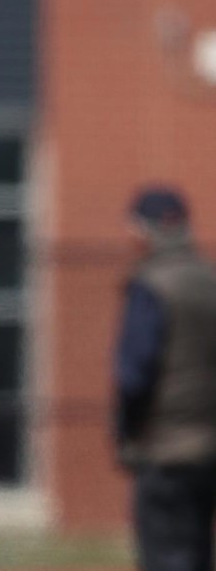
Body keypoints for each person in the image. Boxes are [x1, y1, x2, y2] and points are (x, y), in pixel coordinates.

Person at [114, 186, 216, 571]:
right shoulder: (209, 279)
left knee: (167, 556)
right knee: (198, 554)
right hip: (209, 448)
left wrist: (127, 433)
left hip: (165, 448)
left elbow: (134, 374)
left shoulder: (151, 285)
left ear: (143, 230)